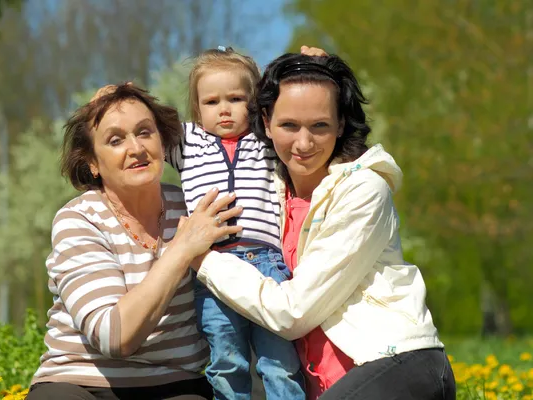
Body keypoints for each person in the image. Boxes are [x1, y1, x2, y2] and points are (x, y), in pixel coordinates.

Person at [183, 52, 457, 399]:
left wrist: (201, 259)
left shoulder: (363, 190)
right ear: (265, 123)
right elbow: (227, 83)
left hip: (394, 363)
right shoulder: (273, 193)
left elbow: (292, 314)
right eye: (289, 125)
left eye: (320, 125)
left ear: (341, 124)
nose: (303, 143)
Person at [28, 83, 243, 400]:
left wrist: (314, 76)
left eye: (145, 132)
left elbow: (253, 147)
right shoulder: (79, 219)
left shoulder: (195, 208)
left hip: (175, 385)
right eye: (115, 140)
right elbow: (114, 337)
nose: (136, 148)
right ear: (92, 162)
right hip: (80, 385)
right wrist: (182, 249)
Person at [165, 46, 304, 400]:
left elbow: (302, 106)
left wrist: (312, 66)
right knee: (227, 361)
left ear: (256, 105)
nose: (224, 109)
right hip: (213, 267)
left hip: (267, 266)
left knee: (280, 360)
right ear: (197, 109)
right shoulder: (188, 141)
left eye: (236, 98)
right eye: (211, 102)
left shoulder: (268, 140)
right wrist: (116, 99)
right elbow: (144, 128)